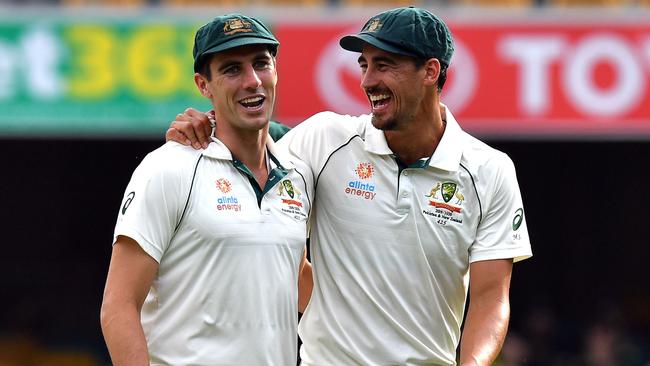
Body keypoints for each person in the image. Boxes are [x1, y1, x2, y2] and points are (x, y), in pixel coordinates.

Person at [167, 7, 532, 366]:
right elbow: (254, 146)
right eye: (364, 64)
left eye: (384, 64)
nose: (367, 80)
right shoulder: (326, 139)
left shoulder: (489, 170)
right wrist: (209, 125)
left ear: (430, 71)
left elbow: (491, 298)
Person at [100, 14, 314, 366]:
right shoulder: (167, 168)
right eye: (232, 69)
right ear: (203, 85)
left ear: (276, 70)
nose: (252, 81)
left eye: (262, 63)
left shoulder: (298, 171)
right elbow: (118, 306)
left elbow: (296, 277)